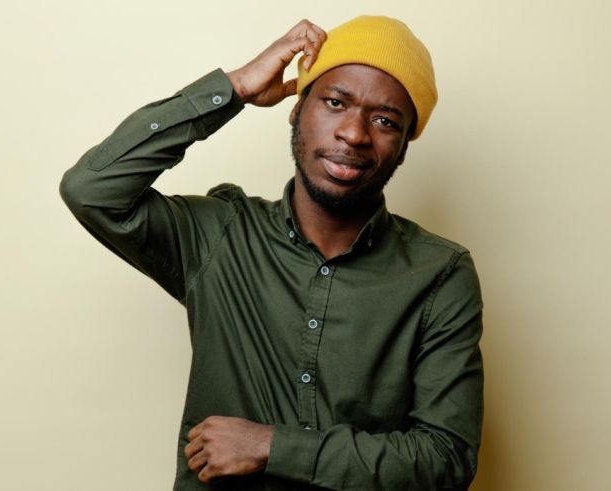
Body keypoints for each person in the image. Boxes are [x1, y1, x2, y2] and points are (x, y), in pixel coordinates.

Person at [59, 15, 484, 491]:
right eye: (335, 102)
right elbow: (91, 190)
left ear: (404, 145)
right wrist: (234, 88)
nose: (354, 134)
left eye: (385, 120)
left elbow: (445, 459)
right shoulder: (220, 235)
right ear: (296, 109)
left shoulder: (439, 274)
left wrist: (271, 446)